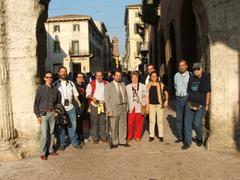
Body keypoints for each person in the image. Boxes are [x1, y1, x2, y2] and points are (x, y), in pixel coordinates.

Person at [182, 63, 211, 150]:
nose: (196, 71)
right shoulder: (191, 79)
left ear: (201, 69)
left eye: (197, 69)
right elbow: (189, 90)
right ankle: (188, 141)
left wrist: (206, 104)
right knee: (187, 123)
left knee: (197, 123)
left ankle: (199, 137)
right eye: (194, 69)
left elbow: (208, 92)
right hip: (190, 103)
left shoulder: (205, 78)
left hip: (201, 104)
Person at [34, 71, 61, 160]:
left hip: (52, 113)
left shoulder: (55, 90)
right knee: (45, 134)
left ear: (52, 79)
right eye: (47, 77)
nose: (49, 79)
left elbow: (58, 102)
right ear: (44, 78)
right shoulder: (40, 89)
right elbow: (36, 104)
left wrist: (57, 111)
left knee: (52, 133)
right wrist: (38, 116)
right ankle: (43, 152)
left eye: (51, 77)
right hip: (43, 114)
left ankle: (50, 150)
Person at [53, 66, 82, 150]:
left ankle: (75, 142)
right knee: (61, 126)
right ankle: (62, 143)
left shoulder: (71, 83)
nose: (63, 73)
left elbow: (75, 95)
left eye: (65, 71)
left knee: (73, 126)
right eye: (62, 71)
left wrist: (78, 103)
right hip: (60, 109)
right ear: (59, 73)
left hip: (70, 108)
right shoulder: (55, 84)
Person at [104, 70, 129, 148]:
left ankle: (122, 141)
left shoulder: (123, 84)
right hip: (114, 108)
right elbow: (107, 99)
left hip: (123, 107)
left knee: (123, 125)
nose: (118, 77)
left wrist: (127, 107)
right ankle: (114, 142)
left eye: (119, 75)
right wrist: (109, 110)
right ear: (113, 76)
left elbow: (126, 96)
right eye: (117, 75)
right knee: (114, 126)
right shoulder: (108, 85)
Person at [86, 70, 108, 144]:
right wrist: (92, 98)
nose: (99, 77)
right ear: (95, 76)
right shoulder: (91, 84)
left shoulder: (106, 83)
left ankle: (103, 136)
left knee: (103, 121)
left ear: (102, 76)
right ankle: (95, 137)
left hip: (103, 104)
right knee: (94, 122)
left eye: (100, 76)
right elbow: (88, 94)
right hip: (94, 105)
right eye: (97, 76)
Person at [146, 72, 167, 142]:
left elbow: (166, 93)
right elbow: (146, 96)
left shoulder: (161, 84)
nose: (154, 77)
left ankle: (161, 135)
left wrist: (167, 100)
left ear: (157, 77)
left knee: (160, 121)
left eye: (155, 76)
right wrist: (147, 106)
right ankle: (151, 135)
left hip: (159, 105)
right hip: (151, 105)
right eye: (152, 76)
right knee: (152, 121)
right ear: (150, 77)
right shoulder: (148, 85)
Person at [126, 71, 146, 142]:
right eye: (133, 77)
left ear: (138, 78)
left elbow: (146, 96)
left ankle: (137, 136)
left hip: (140, 106)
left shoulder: (142, 86)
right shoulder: (127, 87)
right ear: (131, 78)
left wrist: (145, 104)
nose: (134, 79)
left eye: (136, 77)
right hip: (131, 107)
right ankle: (129, 136)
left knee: (139, 122)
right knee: (130, 122)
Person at [174, 59, 191, 143]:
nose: (181, 67)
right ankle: (180, 137)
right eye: (180, 65)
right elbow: (175, 86)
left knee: (186, 119)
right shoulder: (176, 75)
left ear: (186, 66)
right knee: (179, 118)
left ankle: (186, 138)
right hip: (178, 98)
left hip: (186, 98)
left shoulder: (190, 75)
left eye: (183, 65)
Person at [74, 73, 89, 142]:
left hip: (85, 105)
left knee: (84, 122)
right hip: (77, 106)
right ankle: (80, 137)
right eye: (79, 77)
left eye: (82, 77)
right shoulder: (74, 85)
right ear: (76, 78)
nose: (80, 78)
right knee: (78, 122)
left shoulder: (85, 85)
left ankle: (84, 135)